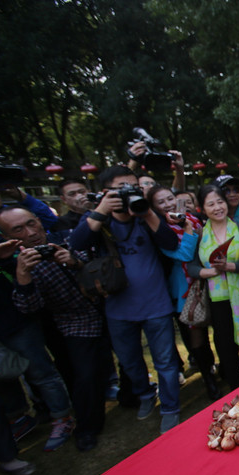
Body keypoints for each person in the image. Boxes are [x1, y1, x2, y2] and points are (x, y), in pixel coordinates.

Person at [68, 165, 181, 434]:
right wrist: (102, 210)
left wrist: (147, 212)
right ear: (106, 191)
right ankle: (144, 394)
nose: (129, 192)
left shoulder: (146, 215)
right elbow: (78, 243)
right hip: (118, 309)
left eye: (133, 186)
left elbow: (170, 243)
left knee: (165, 362)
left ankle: (170, 408)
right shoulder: (98, 221)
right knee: (130, 361)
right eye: (121, 188)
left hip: (156, 305)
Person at [0, 208, 106, 451]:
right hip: (70, 324)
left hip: (107, 311)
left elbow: (102, 264)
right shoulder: (15, 261)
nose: (30, 233)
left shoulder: (69, 238)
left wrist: (75, 262)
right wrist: (23, 276)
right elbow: (28, 308)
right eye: (18, 230)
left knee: (105, 367)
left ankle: (127, 396)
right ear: (7, 236)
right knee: (83, 376)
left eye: (31, 223)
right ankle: (87, 428)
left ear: (39, 221)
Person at [147, 185, 220, 400]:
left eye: (170, 198)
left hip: (211, 281)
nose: (168, 204)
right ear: (153, 208)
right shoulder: (160, 231)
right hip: (186, 289)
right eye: (161, 202)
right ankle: (209, 378)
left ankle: (223, 368)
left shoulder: (194, 218)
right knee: (197, 337)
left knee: (221, 328)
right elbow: (186, 254)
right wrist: (187, 228)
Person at [188, 185, 239, 389]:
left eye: (220, 201)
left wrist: (230, 266)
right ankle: (234, 388)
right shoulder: (200, 233)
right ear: (202, 209)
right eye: (210, 204)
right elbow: (192, 267)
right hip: (217, 301)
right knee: (225, 346)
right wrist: (209, 272)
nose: (217, 207)